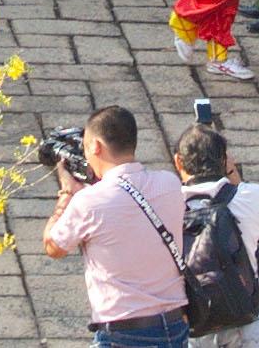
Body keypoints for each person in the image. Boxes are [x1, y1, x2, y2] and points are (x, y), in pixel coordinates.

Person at [42, 104, 190, 348]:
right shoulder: (170, 184)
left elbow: (54, 246)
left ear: (96, 146)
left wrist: (67, 194)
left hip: (123, 332)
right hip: (175, 325)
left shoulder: (88, 202)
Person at [172, 124, 259, 348]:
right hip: (246, 310)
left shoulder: (167, 205)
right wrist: (234, 175)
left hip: (196, 315)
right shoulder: (253, 195)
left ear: (178, 162)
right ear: (224, 159)